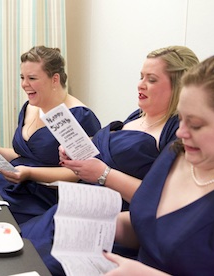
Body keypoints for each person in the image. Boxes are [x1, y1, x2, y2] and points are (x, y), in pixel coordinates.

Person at [21, 46, 200, 275]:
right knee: (23, 242)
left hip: (116, 222)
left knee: (41, 262)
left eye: (152, 79)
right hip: (82, 205)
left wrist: (104, 174)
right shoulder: (137, 116)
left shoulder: (175, 132)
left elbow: (161, 200)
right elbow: (105, 152)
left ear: (179, 86)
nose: (140, 84)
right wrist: (77, 151)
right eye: (141, 77)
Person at [104, 51, 214, 275]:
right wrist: (98, 225)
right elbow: (150, 228)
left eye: (195, 124)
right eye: (181, 118)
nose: (180, 131)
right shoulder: (174, 154)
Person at [0, 46, 101, 224]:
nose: (24, 84)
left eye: (32, 78)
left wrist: (30, 173)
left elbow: (79, 174)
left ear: (55, 79)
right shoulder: (30, 106)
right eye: (22, 77)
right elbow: (25, 155)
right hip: (16, 186)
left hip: (46, 197)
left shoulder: (79, 116)